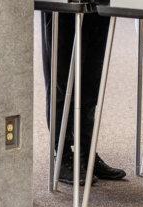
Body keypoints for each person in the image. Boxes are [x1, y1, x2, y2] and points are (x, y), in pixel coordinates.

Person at [40, 13, 128, 185]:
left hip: (96, 2)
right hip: (63, 3)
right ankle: (62, 157)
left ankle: (85, 156)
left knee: (90, 84)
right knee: (62, 84)